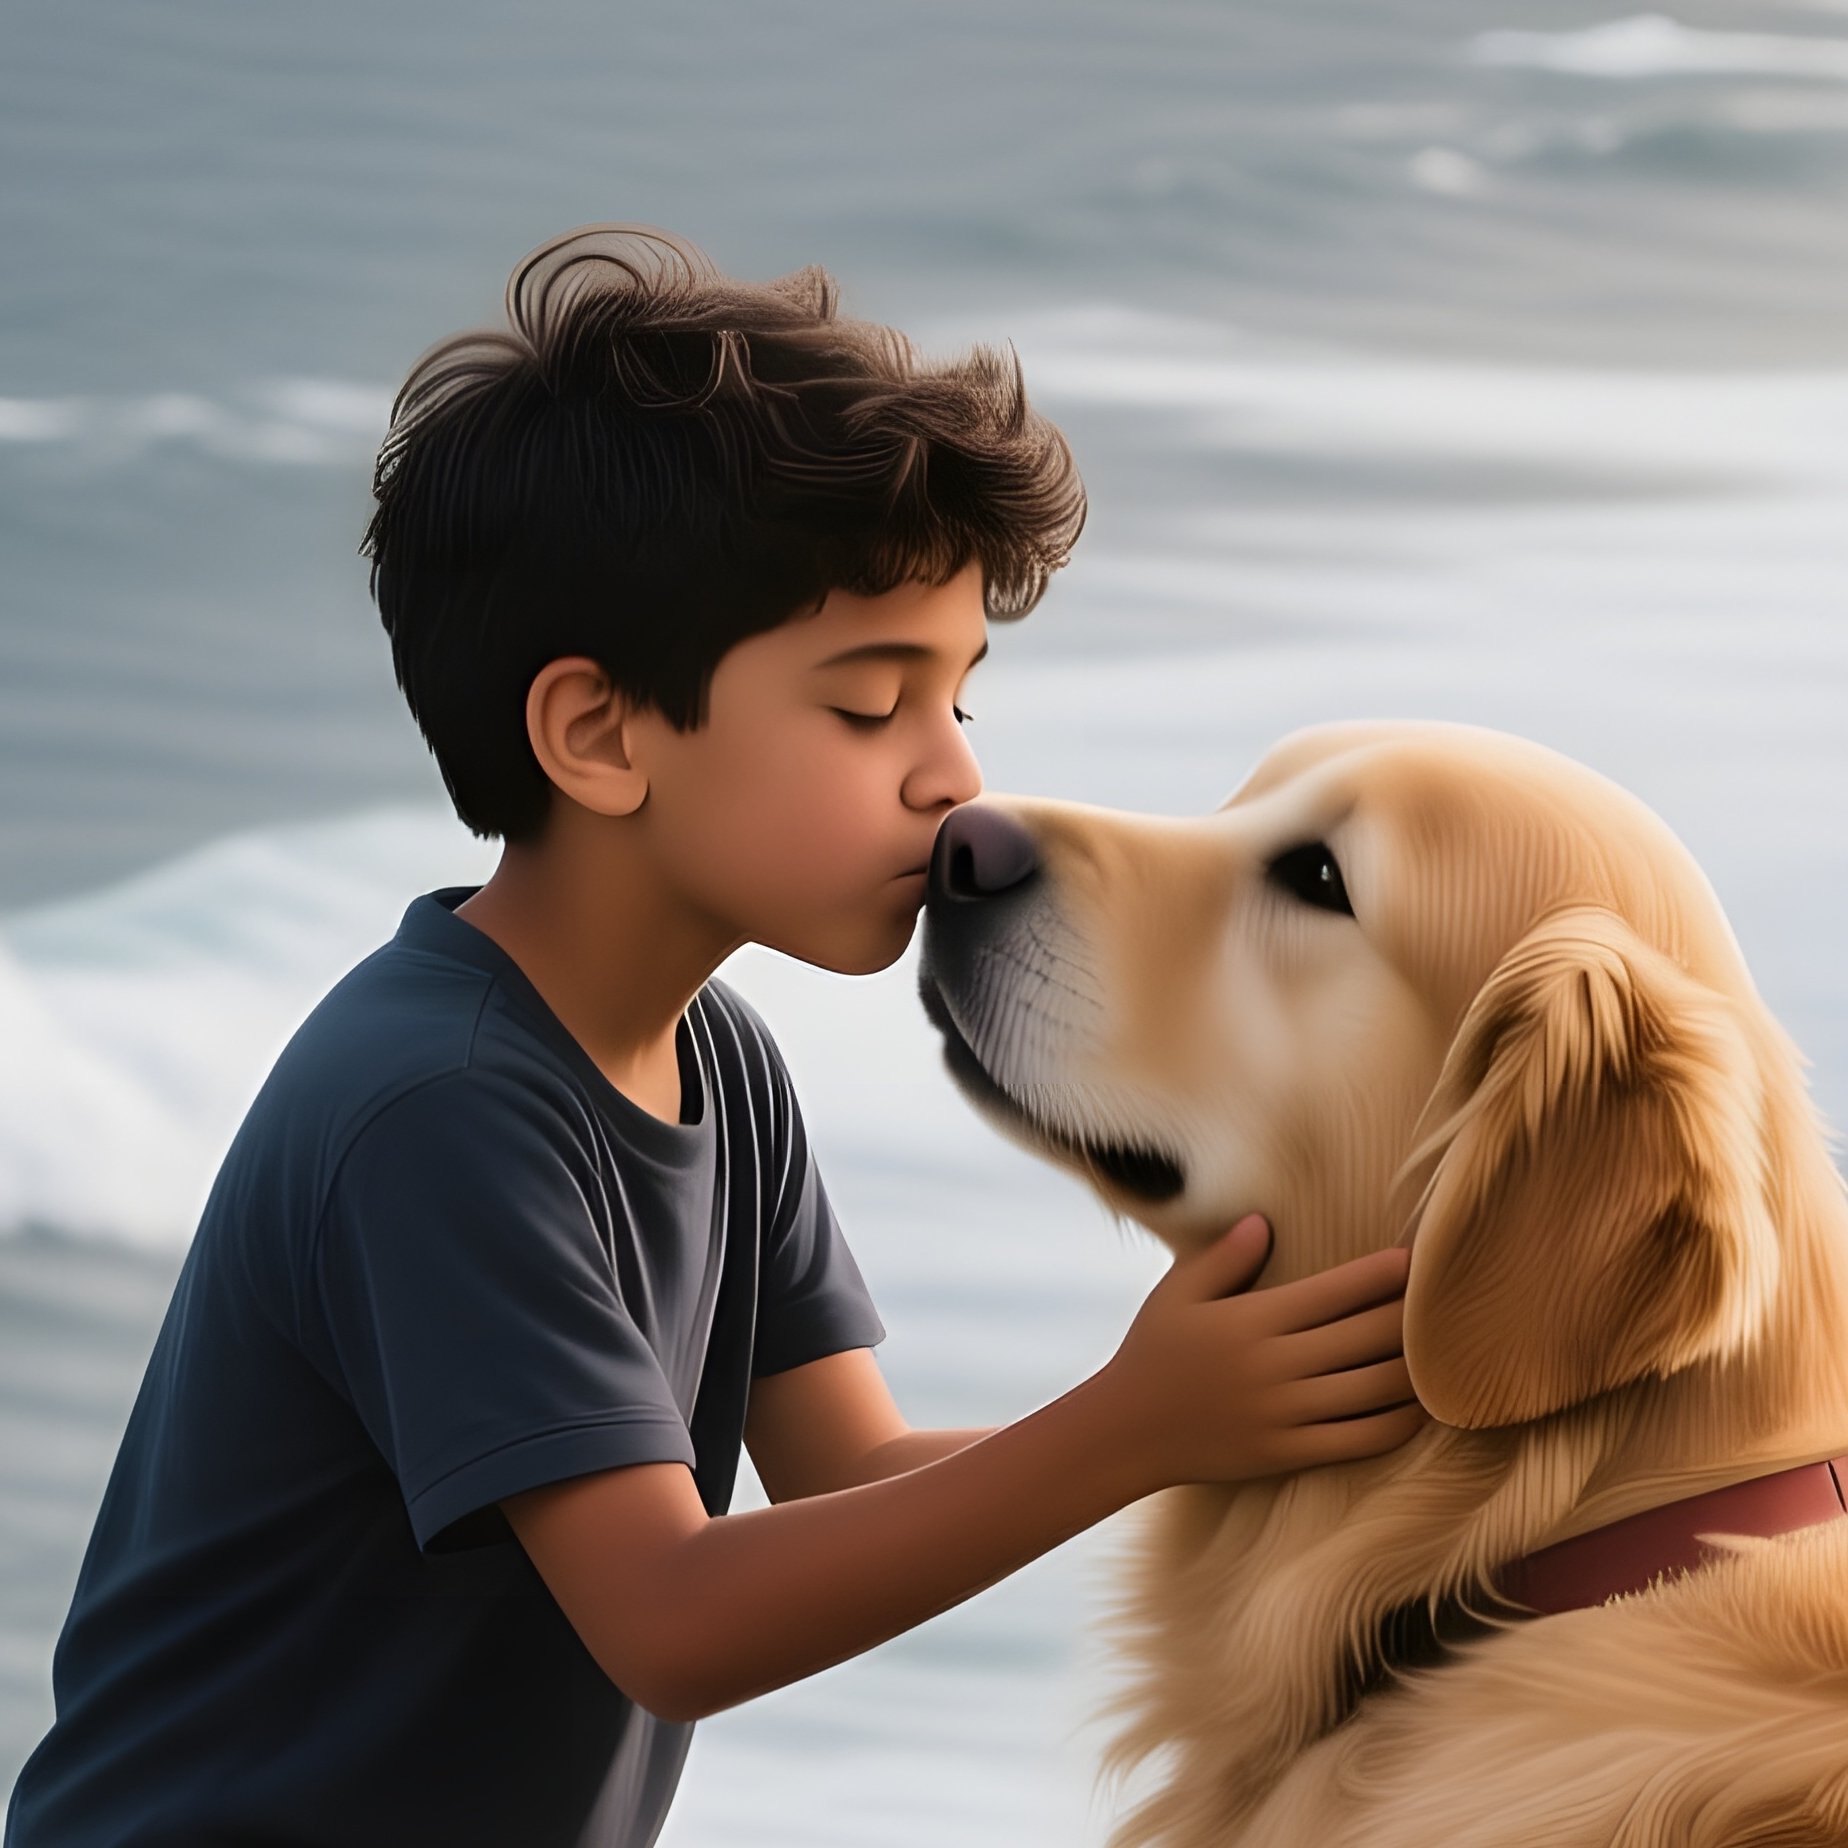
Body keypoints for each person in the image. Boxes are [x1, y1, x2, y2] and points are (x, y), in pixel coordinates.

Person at [2, 223, 1426, 1848]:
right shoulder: (443, 1109)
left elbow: (845, 1472)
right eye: (867, 703)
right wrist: (1131, 1428)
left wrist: (1217, 1422)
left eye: (959, 696)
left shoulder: (715, 1059)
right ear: (600, 735)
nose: (953, 774)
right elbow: (673, 1618)